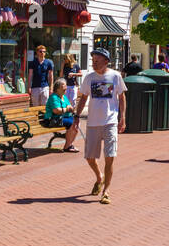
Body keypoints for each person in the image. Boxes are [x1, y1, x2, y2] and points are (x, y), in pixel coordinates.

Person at [74, 48, 126, 204]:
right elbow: (83, 98)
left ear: (106, 61)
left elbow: (122, 97)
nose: (94, 63)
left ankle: (106, 192)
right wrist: (76, 116)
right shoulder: (89, 78)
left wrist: (122, 118)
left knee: (110, 157)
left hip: (110, 121)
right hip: (93, 123)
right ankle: (99, 177)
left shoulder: (115, 76)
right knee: (90, 157)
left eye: (97, 61)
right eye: (93, 61)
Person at [42, 78, 81, 151]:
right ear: (57, 89)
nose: (65, 88)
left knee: (76, 122)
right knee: (71, 123)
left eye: (65, 86)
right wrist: (66, 109)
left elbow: (69, 106)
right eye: (63, 86)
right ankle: (67, 146)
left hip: (62, 118)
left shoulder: (64, 96)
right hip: (52, 120)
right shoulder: (54, 97)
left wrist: (71, 108)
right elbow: (56, 111)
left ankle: (69, 144)